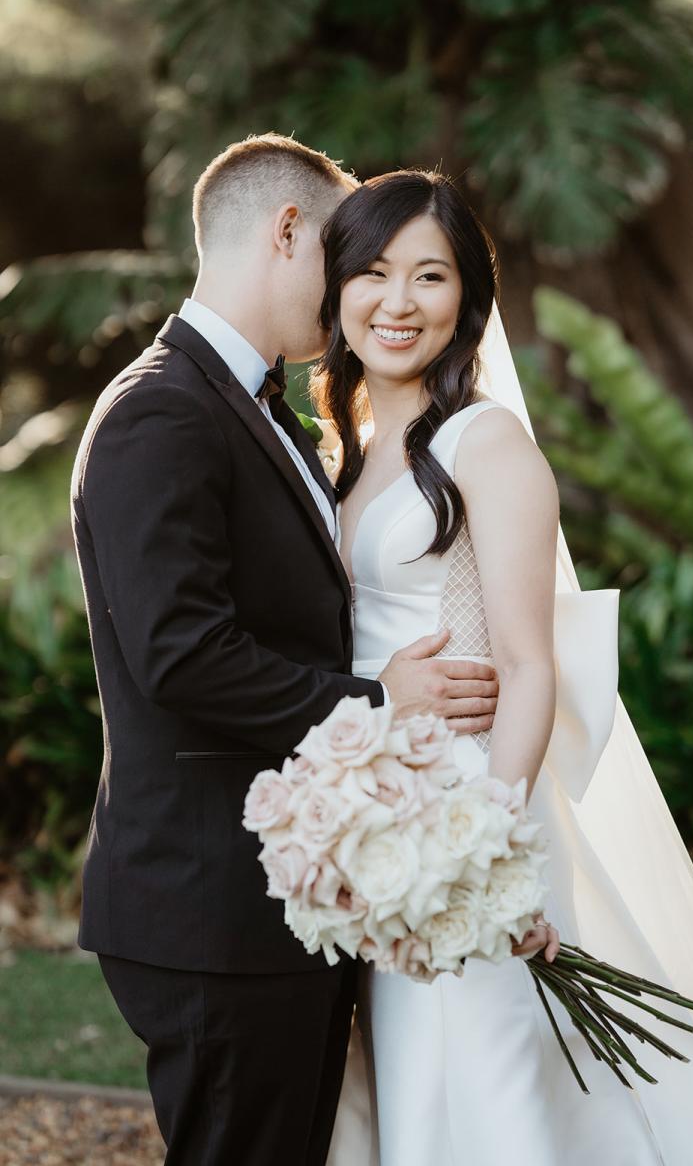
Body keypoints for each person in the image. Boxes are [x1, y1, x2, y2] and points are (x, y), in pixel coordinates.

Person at [314, 169, 693, 1165]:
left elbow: (530, 667)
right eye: (370, 272)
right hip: (363, 813)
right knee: (401, 1074)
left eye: (428, 277)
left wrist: (485, 844)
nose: (396, 303)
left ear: (468, 302)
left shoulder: (485, 445)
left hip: (466, 806)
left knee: (486, 1072)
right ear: (336, 291)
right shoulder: (350, 448)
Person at [69, 134, 510, 1166]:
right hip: (210, 907)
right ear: (286, 233)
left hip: (279, 900)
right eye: (349, 256)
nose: (363, 292)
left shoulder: (251, 406)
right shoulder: (162, 412)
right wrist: (378, 701)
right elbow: (182, 654)